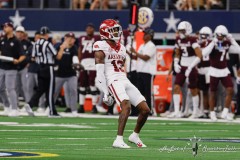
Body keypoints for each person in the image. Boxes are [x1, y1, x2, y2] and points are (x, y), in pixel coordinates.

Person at [94, 19, 150, 148]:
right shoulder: (100, 45)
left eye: (116, 29)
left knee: (145, 110)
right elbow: (100, 72)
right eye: (113, 30)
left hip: (123, 79)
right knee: (126, 107)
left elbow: (121, 66)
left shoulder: (122, 47)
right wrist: (105, 93)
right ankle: (118, 140)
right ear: (105, 32)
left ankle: (134, 135)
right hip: (112, 80)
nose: (116, 32)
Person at [186, 25, 240, 121]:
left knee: (230, 90)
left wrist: (232, 40)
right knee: (212, 92)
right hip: (214, 70)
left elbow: (238, 50)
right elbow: (204, 53)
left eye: (222, 36)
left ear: (225, 36)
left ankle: (225, 112)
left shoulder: (227, 43)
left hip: (224, 70)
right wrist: (212, 44)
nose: (220, 38)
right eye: (218, 35)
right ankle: (212, 113)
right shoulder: (212, 43)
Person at [24, 26, 59, 117]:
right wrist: (62, 47)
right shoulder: (47, 44)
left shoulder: (35, 44)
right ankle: (52, 111)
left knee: (41, 89)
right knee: (50, 90)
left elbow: (33, 57)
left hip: (39, 68)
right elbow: (56, 55)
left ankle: (30, 104)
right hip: (49, 68)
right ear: (46, 34)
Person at [172, 21, 201, 119]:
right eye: (179, 31)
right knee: (176, 87)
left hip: (191, 66)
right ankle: (177, 111)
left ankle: (195, 112)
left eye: (182, 31)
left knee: (193, 89)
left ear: (188, 30)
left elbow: (199, 55)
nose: (180, 33)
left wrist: (190, 67)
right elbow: (177, 52)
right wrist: (176, 63)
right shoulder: (178, 40)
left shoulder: (193, 40)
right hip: (182, 66)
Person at [0, 22, 26, 117]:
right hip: (2, 67)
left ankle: (15, 109)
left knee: (10, 88)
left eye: (6, 27)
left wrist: (18, 61)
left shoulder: (16, 41)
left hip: (11, 68)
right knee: (0, 88)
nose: (4, 29)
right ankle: (7, 107)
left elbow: (23, 55)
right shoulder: (2, 40)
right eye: (4, 27)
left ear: (11, 28)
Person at [130, 28, 157, 115]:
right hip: (140, 71)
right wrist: (128, 53)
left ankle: (150, 110)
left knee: (148, 93)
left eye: (146, 34)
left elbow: (146, 58)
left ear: (150, 36)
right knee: (139, 93)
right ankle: (139, 110)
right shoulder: (142, 45)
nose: (144, 36)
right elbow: (136, 57)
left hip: (148, 72)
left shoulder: (151, 45)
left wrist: (135, 52)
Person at [54, 32, 79, 116]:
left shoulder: (74, 48)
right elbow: (57, 58)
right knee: (55, 92)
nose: (70, 39)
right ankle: (50, 107)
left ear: (74, 40)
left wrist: (76, 63)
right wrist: (62, 48)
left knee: (73, 90)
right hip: (59, 73)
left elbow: (75, 58)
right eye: (68, 37)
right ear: (65, 38)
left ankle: (74, 110)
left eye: (72, 38)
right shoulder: (58, 46)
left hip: (71, 74)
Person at [78, 23, 100, 113]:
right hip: (84, 61)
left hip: (93, 61)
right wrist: (79, 62)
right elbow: (80, 49)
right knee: (82, 83)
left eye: (91, 28)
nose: (89, 29)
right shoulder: (81, 38)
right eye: (87, 28)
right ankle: (81, 105)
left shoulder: (97, 38)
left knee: (92, 82)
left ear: (93, 30)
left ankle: (94, 106)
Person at [25, 31, 46, 113]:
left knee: (40, 89)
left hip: (40, 70)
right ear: (34, 38)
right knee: (29, 88)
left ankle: (41, 106)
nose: (38, 39)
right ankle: (29, 105)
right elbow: (26, 58)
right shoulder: (31, 47)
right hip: (31, 70)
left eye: (39, 38)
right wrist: (31, 59)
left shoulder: (44, 47)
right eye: (36, 37)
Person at [197, 26, 212, 118]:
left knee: (211, 91)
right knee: (203, 91)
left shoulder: (211, 43)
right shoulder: (198, 44)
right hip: (201, 69)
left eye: (205, 35)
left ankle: (212, 110)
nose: (203, 37)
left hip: (210, 69)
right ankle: (204, 110)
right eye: (202, 35)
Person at [15, 26, 32, 103]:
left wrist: (28, 62)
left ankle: (28, 104)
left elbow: (30, 54)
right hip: (14, 68)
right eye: (18, 32)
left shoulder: (27, 43)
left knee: (26, 87)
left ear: (23, 33)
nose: (19, 33)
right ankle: (15, 104)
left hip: (24, 67)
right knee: (15, 87)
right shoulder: (13, 42)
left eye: (21, 32)